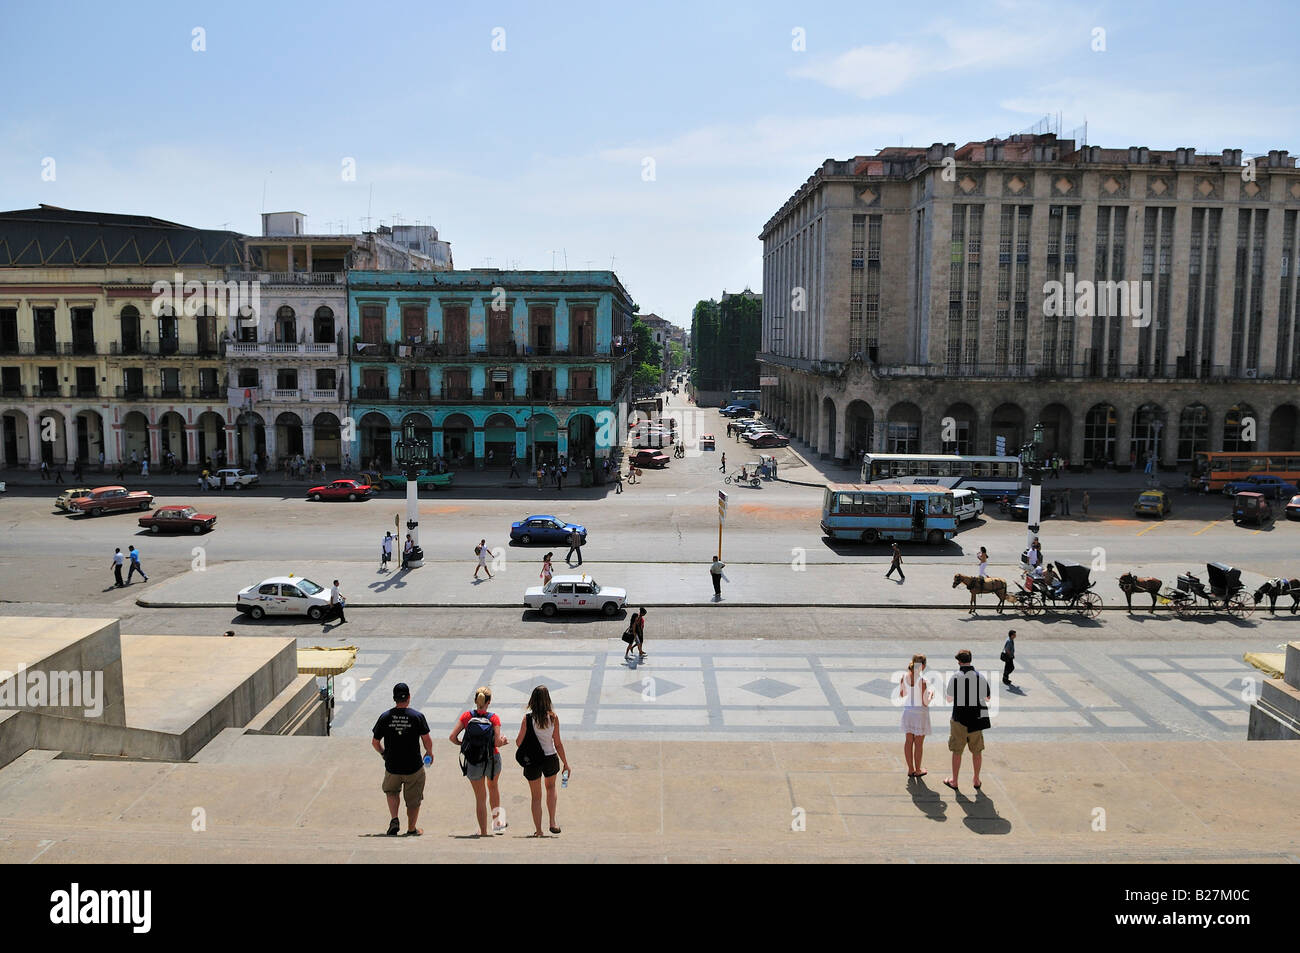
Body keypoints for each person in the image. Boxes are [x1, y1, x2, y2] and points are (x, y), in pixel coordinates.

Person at [372, 682, 433, 836]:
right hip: (413, 767)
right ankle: (411, 829)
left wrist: (383, 753)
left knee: (391, 791)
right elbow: (426, 740)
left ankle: (394, 819)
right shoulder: (417, 717)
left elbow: (375, 742)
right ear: (409, 697)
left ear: (394, 698)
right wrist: (429, 753)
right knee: (413, 799)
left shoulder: (385, 717)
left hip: (392, 765)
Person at [449, 687, 509, 836]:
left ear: (476, 700)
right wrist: (503, 741)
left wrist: (463, 744)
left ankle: (483, 831)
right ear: (489, 702)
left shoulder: (467, 716)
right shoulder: (494, 718)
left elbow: (452, 737)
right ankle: (498, 825)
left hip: (474, 761)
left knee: (480, 798)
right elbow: (496, 742)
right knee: (494, 788)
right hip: (492, 759)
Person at [516, 685, 570, 837]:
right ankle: (552, 822)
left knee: (536, 796)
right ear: (548, 700)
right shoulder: (553, 718)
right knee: (551, 788)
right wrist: (565, 763)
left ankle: (538, 830)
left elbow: (519, 742)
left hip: (533, 760)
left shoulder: (527, 719)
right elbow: (557, 743)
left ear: (532, 700)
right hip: (550, 757)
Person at [944, 649, 990, 793]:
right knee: (977, 751)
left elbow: (949, 698)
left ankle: (954, 781)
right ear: (970, 660)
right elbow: (988, 698)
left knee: (957, 751)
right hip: (977, 719)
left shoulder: (955, 677)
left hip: (959, 719)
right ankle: (976, 779)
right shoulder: (980, 677)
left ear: (958, 661)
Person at [900, 654, 933, 779]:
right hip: (920, 714)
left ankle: (910, 769)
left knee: (908, 741)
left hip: (908, 712)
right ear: (923, 666)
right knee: (918, 744)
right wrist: (931, 695)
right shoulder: (922, 681)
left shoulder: (904, 677)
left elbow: (902, 694)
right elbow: (925, 702)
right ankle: (918, 769)